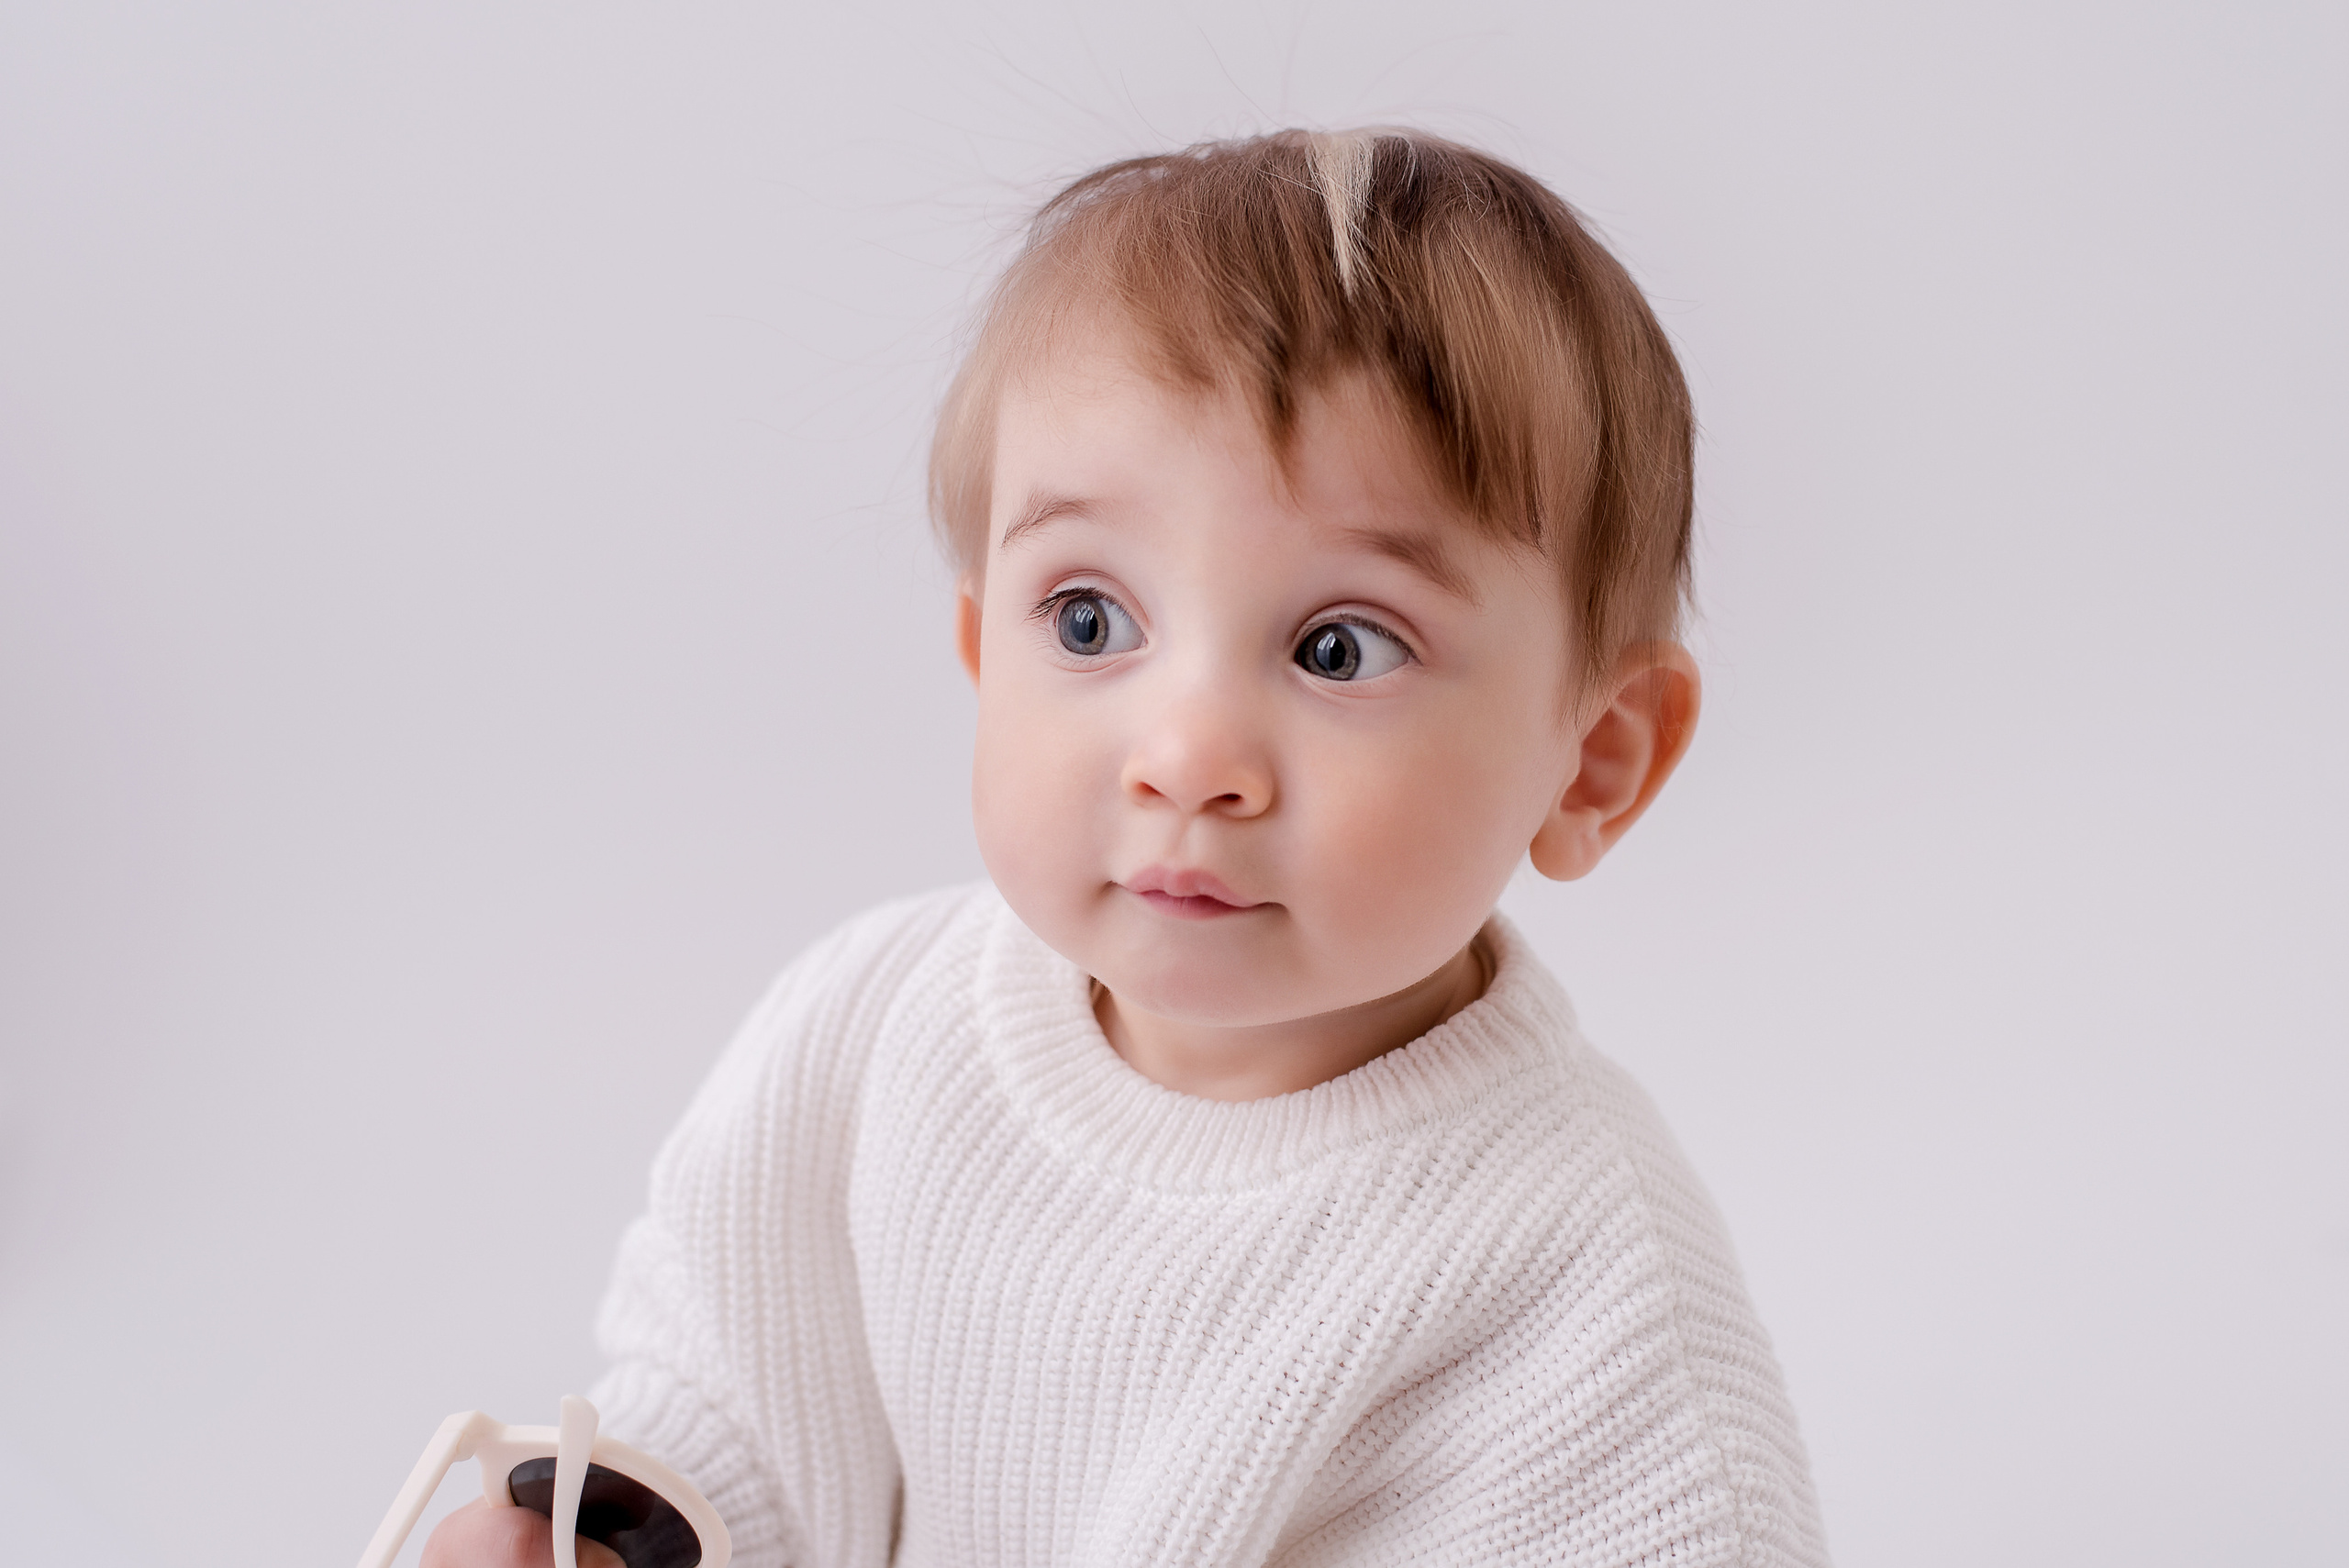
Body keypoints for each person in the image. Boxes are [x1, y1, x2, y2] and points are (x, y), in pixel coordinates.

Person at [426, 127, 1830, 1568]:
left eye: (1339, 647)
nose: (1187, 757)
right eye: (1091, 621)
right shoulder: (876, 1031)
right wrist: (609, 1540)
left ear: (1593, 758)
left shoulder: (1582, 1290)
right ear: (984, 648)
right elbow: (733, 1408)